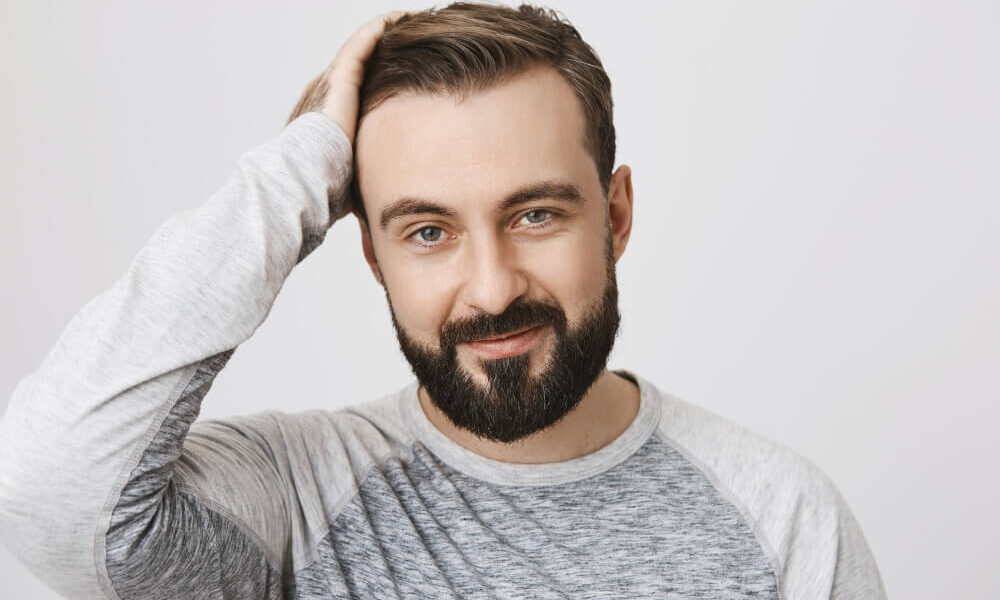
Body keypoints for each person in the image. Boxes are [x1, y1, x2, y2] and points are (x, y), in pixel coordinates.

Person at [0, 3, 887, 599]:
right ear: (372, 255)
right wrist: (298, 172)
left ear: (615, 216)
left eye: (535, 215)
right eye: (428, 231)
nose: (493, 288)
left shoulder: (780, 516)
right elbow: (49, 489)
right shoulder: (291, 500)